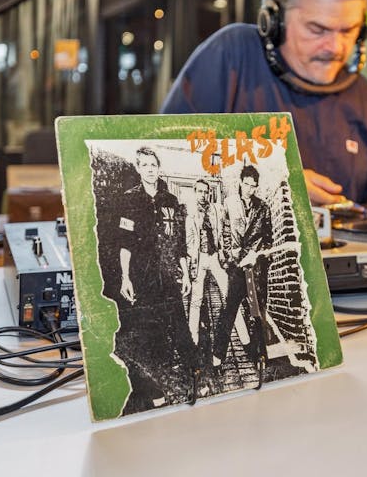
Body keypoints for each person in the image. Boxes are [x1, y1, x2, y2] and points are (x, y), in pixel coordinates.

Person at [161, 0, 367, 209]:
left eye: (349, 30)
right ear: (272, 20)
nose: (336, 48)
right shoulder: (231, 57)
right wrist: (275, 180)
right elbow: (162, 158)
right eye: (318, 29)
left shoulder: (362, 94)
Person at [115, 146, 197, 413]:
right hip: (143, 277)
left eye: (153, 165)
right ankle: (156, 391)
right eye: (145, 165)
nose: (150, 169)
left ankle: (194, 380)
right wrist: (125, 277)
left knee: (180, 328)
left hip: (169, 275)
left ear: (158, 168)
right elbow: (125, 243)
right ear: (138, 168)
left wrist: (184, 272)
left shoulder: (170, 201)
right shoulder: (129, 200)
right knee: (151, 333)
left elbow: (180, 242)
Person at [212, 165, 273, 367]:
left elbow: (268, 240)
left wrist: (256, 255)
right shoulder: (229, 203)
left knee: (256, 313)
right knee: (229, 311)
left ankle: (260, 356)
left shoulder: (263, 207)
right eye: (247, 185)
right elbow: (224, 235)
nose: (250, 189)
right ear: (240, 182)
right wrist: (232, 258)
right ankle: (217, 356)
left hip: (255, 269)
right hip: (236, 268)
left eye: (253, 186)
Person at [185, 179, 230, 352]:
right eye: (200, 191)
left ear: (209, 193)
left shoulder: (217, 209)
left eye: (206, 192)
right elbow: (189, 240)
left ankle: (241, 340)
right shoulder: (190, 213)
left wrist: (223, 252)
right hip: (199, 258)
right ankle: (193, 342)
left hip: (214, 257)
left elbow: (224, 231)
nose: (203, 195)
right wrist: (192, 262)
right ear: (195, 192)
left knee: (229, 295)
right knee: (196, 301)